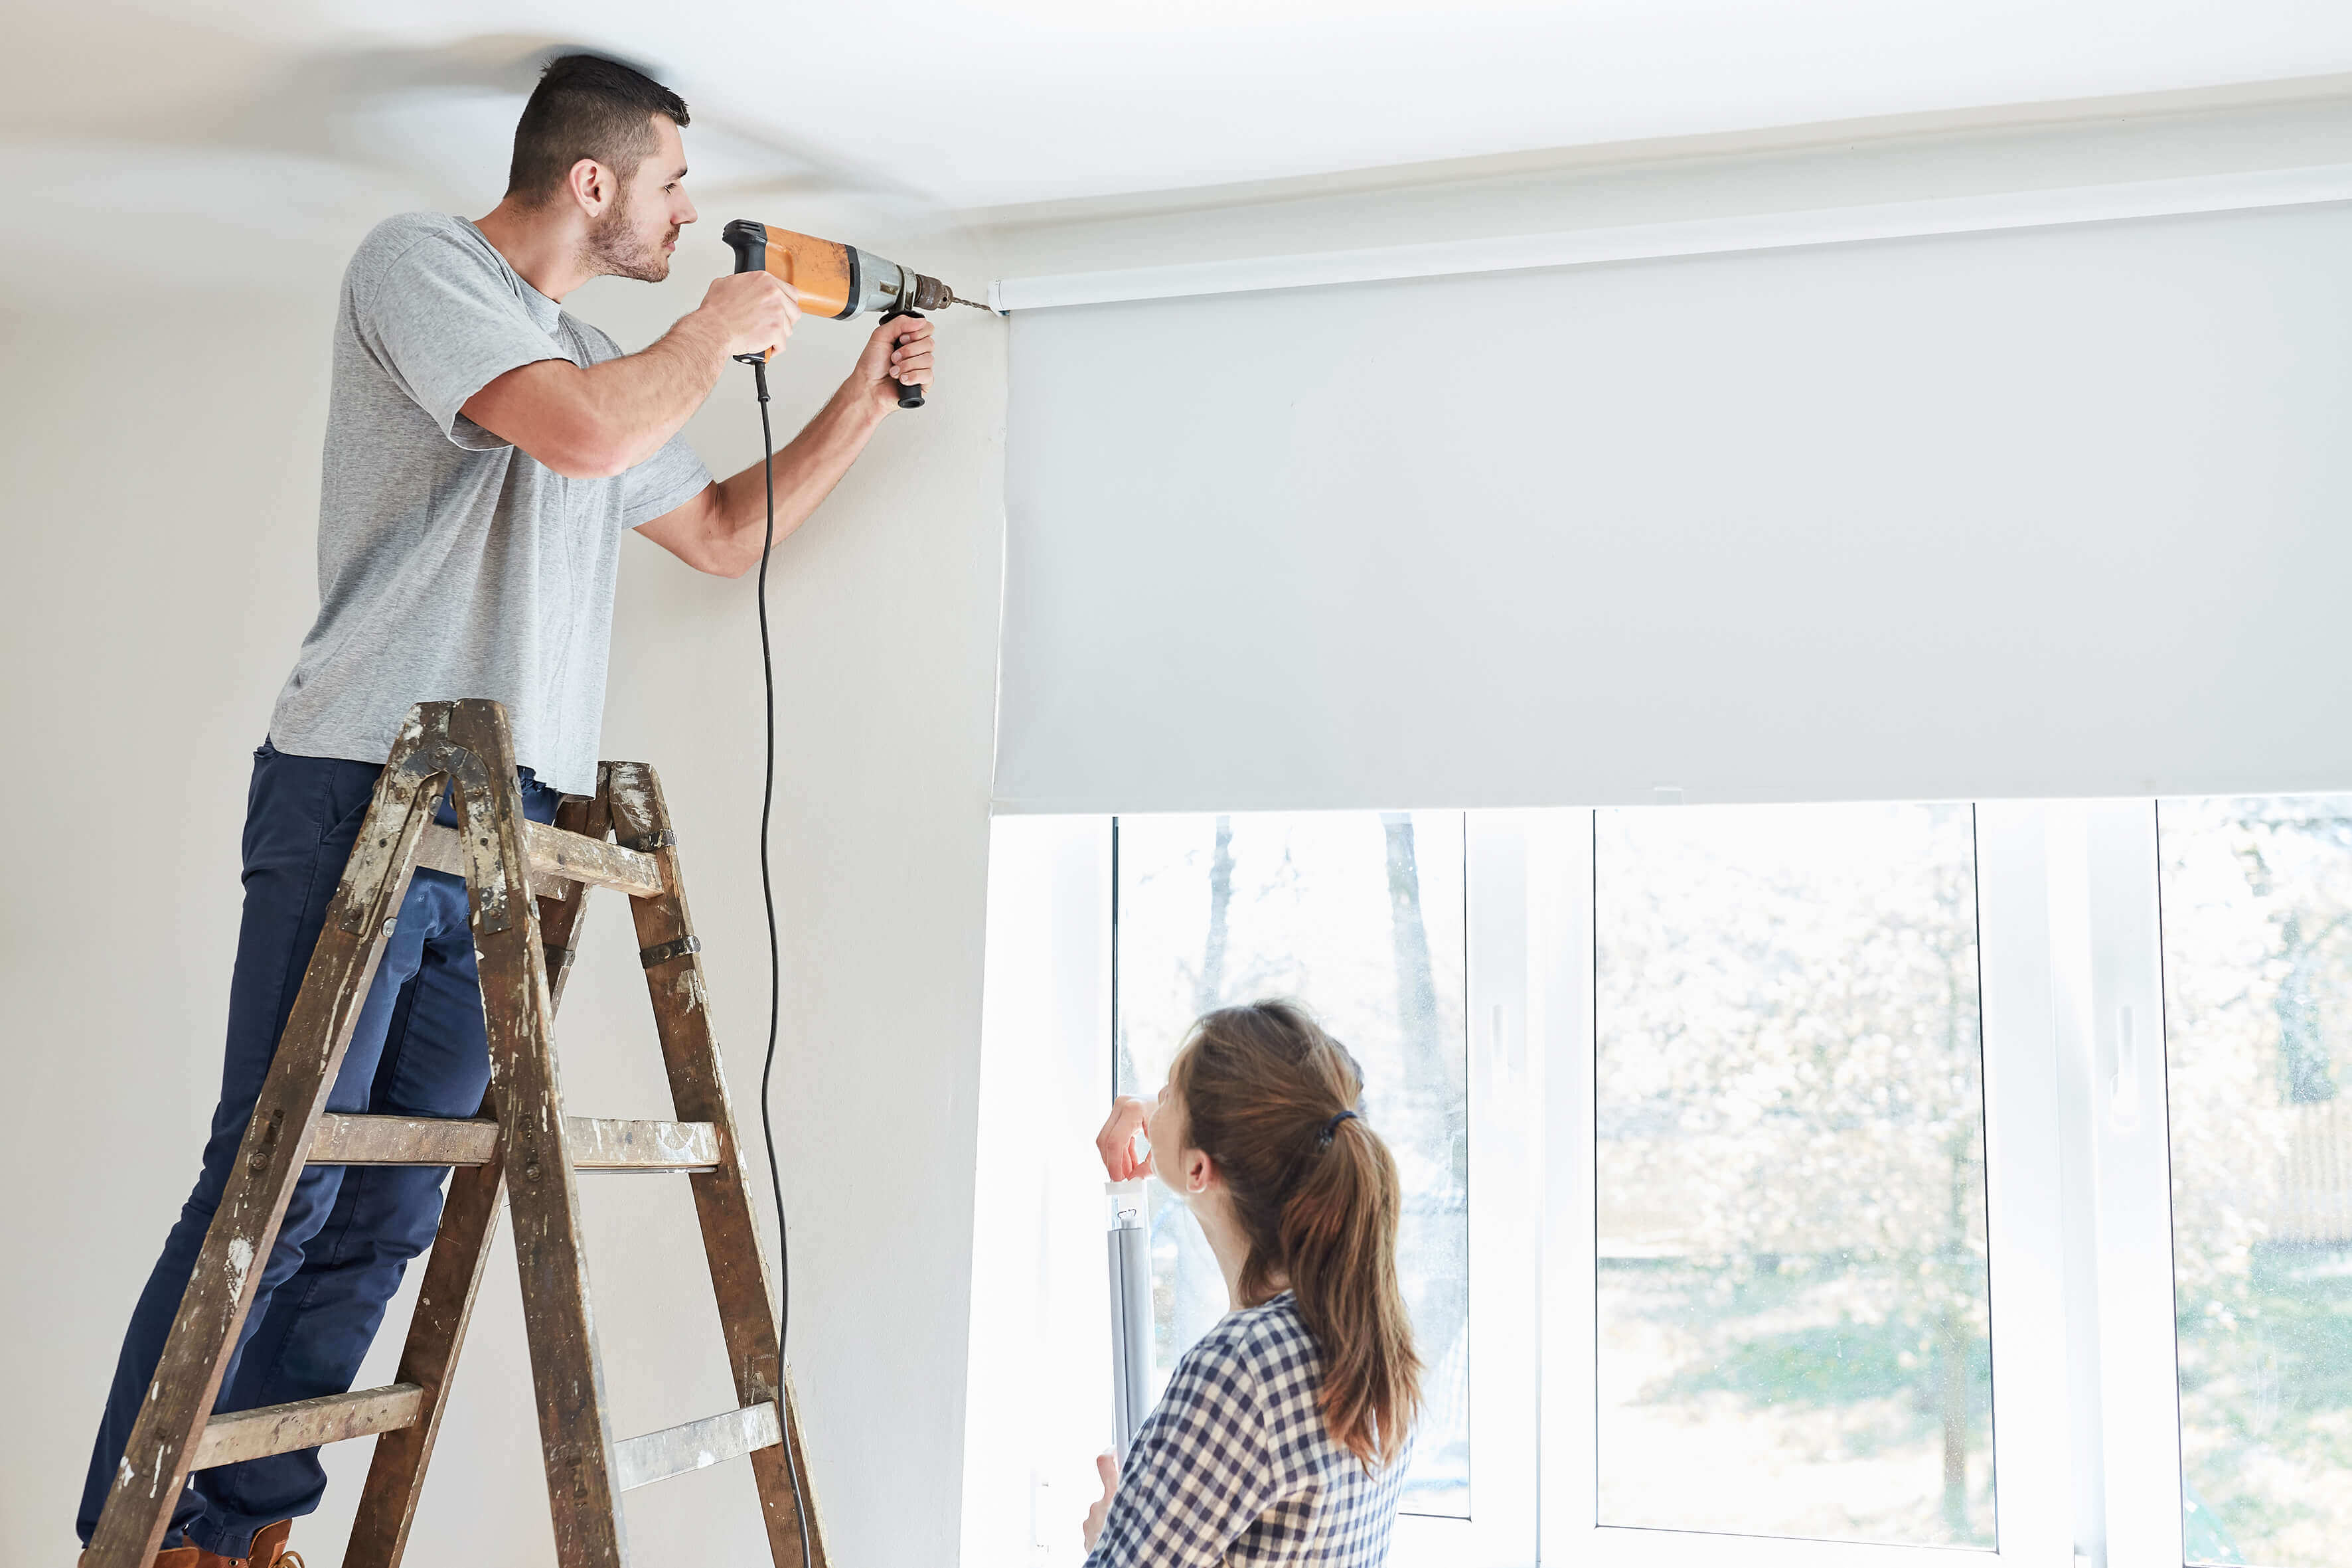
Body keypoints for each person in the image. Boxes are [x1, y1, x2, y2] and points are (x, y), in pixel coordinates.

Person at [77, 52, 936, 1567]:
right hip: (363, 781)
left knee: (390, 1212)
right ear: (591, 183)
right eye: (674, 184)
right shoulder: (421, 269)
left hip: (499, 820)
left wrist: (864, 394)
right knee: (273, 1186)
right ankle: (142, 1536)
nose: (690, 215)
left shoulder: (595, 354)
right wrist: (709, 331)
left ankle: (249, 1529)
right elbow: (584, 433)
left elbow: (725, 534)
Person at [1084, 1002, 1423, 1567]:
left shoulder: (1241, 1370)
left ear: (1199, 1170)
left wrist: (1108, 1539)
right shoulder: (1364, 1323)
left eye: (1168, 1091)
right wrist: (1183, 1117)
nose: (1153, 1101)